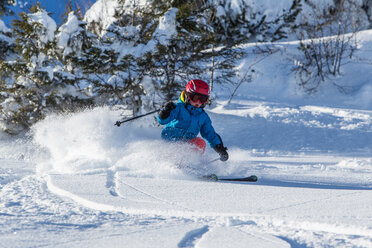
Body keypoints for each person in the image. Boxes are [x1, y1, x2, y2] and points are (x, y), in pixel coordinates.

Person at [157, 79, 229, 161]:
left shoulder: (203, 117)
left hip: (187, 143)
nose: (198, 102)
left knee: (200, 143)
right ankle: (171, 164)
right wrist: (165, 111)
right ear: (188, 95)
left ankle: (191, 165)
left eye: (202, 99)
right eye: (195, 98)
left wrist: (220, 149)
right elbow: (162, 121)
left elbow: (209, 134)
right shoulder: (178, 108)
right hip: (170, 142)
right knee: (176, 152)